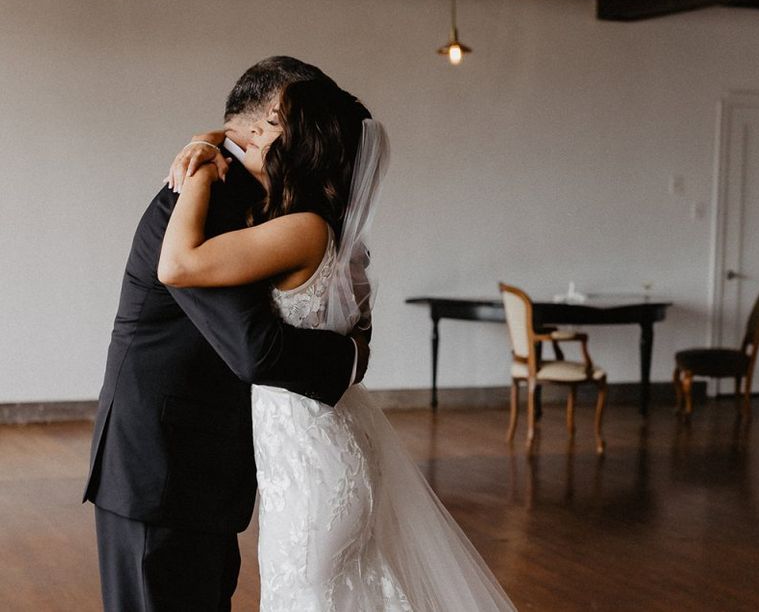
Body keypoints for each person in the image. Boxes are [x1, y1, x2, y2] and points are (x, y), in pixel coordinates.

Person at [162, 75, 518, 611]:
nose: (256, 132)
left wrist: (197, 171)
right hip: (318, 444)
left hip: (313, 462)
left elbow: (177, 265)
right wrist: (209, 137)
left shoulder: (302, 229)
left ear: (302, 146)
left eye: (274, 125)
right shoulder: (321, 227)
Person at [84, 57, 367, 612]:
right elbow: (253, 349)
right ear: (261, 126)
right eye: (302, 125)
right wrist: (351, 357)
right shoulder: (205, 195)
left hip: (204, 468)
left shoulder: (248, 191)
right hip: (162, 469)